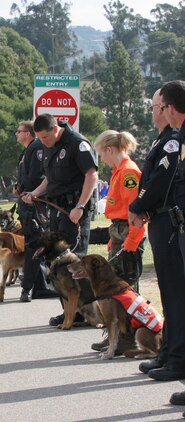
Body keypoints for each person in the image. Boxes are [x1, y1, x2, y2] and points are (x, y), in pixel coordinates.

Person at [22, 114, 98, 326]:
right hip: (56, 208)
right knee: (57, 264)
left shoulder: (77, 143)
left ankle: (83, 312)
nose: (43, 142)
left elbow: (91, 176)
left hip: (74, 210)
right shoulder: (48, 145)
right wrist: (34, 193)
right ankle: (68, 312)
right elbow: (50, 178)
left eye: (45, 137)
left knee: (74, 262)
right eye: (40, 138)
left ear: (55, 129)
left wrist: (80, 207)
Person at [136, 81, 185, 385]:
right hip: (167, 221)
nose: (158, 112)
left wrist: (139, 205)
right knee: (171, 294)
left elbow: (161, 182)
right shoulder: (169, 139)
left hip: (170, 220)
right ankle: (171, 352)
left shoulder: (174, 140)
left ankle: (177, 357)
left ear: (168, 108)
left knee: (176, 295)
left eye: (158, 106)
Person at [90, 129, 145, 355]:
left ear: (110, 149)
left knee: (126, 290)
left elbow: (136, 212)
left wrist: (131, 242)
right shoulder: (118, 171)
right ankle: (115, 334)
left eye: (101, 154)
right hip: (119, 230)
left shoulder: (129, 173)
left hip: (127, 231)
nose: (101, 159)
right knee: (117, 288)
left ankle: (128, 338)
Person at [14, 120, 56, 302]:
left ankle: (28, 288)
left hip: (35, 203)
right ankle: (39, 287)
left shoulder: (37, 147)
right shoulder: (29, 148)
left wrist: (31, 193)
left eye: (19, 131)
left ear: (28, 133)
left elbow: (38, 176)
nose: (16, 133)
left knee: (35, 245)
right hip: (27, 201)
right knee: (34, 243)